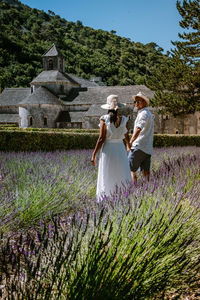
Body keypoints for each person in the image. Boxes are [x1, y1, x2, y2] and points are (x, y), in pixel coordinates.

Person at [91, 94, 131, 200]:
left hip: (108, 149)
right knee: (121, 172)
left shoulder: (104, 119)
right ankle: (123, 196)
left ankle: (106, 196)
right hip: (120, 149)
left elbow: (101, 138)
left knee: (107, 172)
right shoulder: (124, 120)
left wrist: (94, 154)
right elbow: (126, 135)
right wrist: (128, 146)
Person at [128, 91, 154, 183]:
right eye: (135, 102)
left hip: (138, 146)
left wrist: (130, 142)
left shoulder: (143, 114)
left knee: (129, 170)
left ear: (144, 102)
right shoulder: (148, 113)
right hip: (147, 148)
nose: (136, 104)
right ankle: (147, 191)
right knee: (146, 173)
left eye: (138, 101)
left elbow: (138, 129)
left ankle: (132, 191)